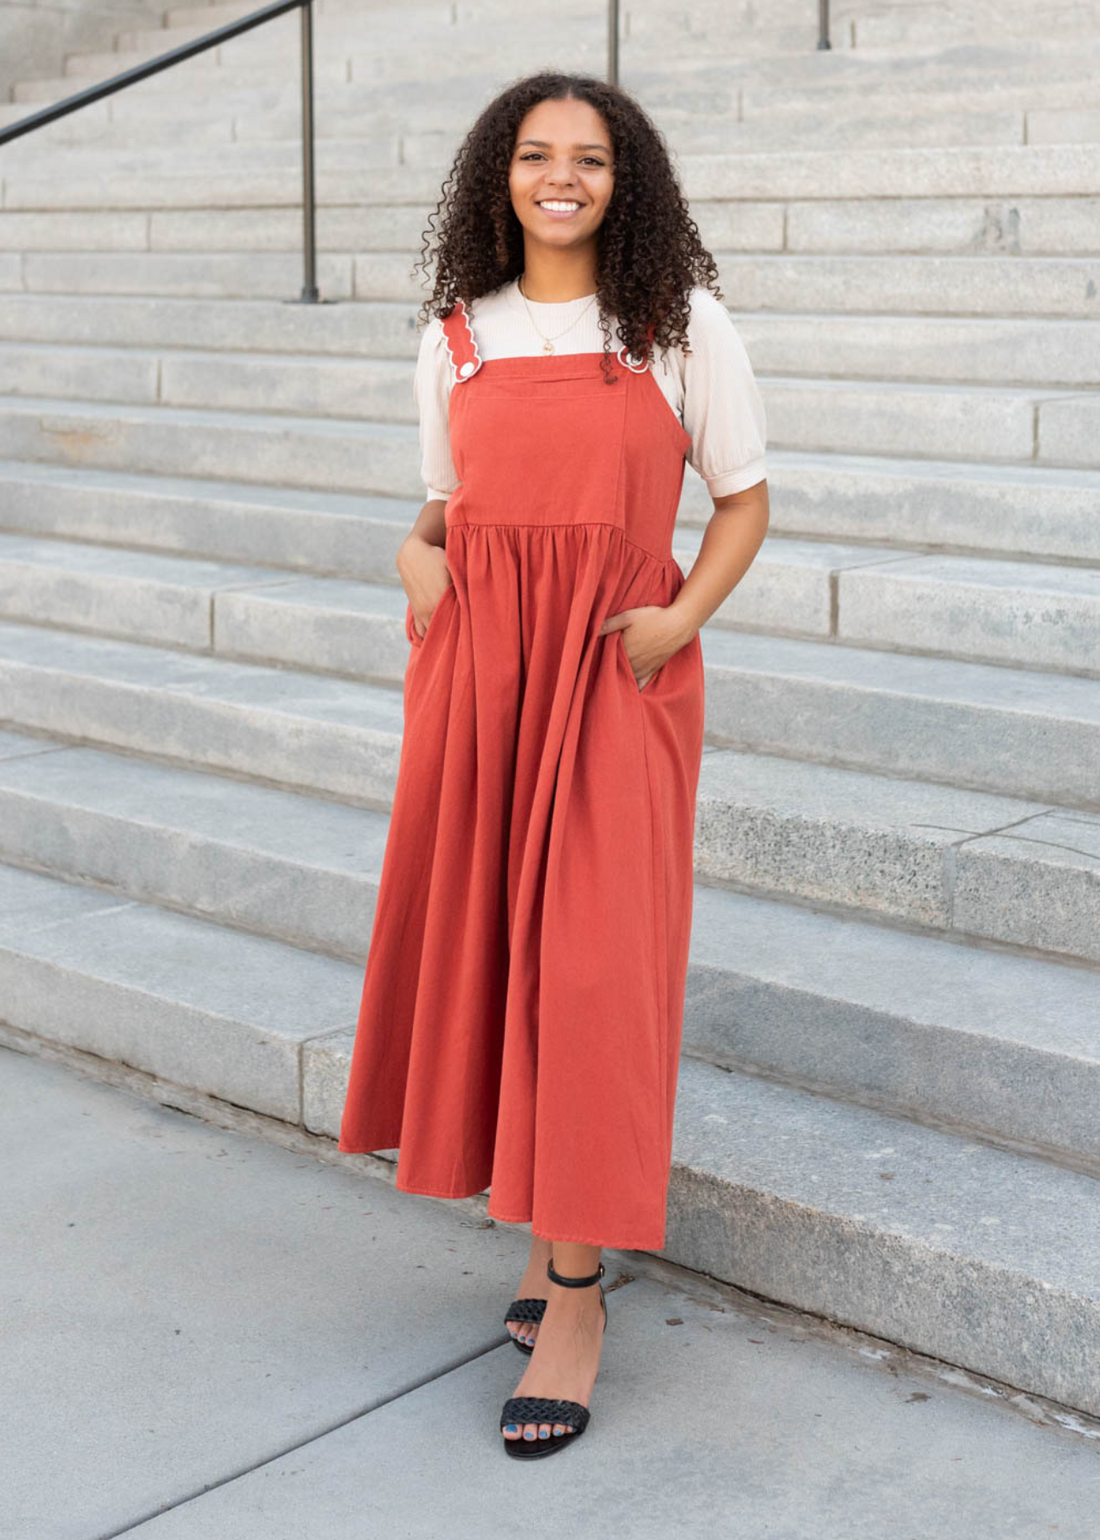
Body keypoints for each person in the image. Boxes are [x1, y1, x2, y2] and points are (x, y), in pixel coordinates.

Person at [337, 70, 769, 1460]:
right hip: (477, 679)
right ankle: (541, 1247)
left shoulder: (676, 324)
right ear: (500, 176)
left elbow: (745, 499)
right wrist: (413, 553)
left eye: (589, 156)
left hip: (611, 678)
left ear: (623, 177)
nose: (562, 176)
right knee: (498, 955)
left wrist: (676, 625)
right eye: (537, 155)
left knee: (587, 972)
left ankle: (574, 1295)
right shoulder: (454, 335)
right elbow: (449, 505)